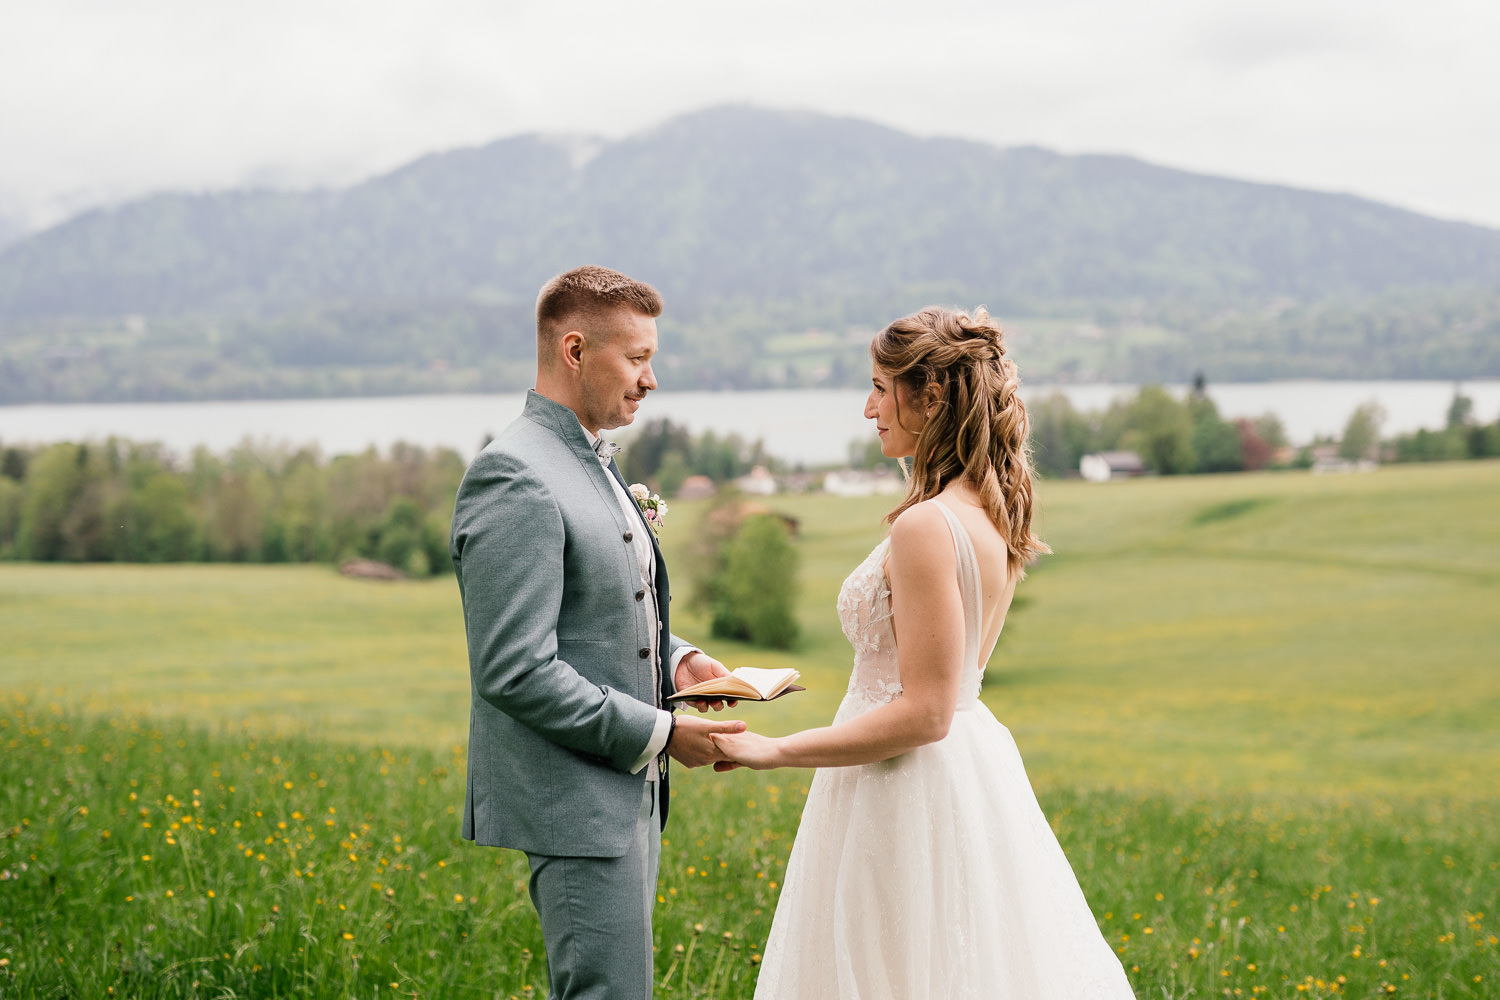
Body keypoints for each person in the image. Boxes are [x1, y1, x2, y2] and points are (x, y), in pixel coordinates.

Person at [711, 306, 1137, 999]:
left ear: (929, 396)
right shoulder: (990, 510)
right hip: (960, 771)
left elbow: (927, 712)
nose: (869, 408)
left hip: (903, 782)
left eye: (881, 388)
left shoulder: (926, 526)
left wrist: (775, 750)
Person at [450, 265, 746, 1000]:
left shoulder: (588, 456)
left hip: (623, 797)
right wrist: (662, 733)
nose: (651, 379)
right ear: (575, 350)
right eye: (637, 357)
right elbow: (515, 670)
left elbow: (601, 608)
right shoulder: (514, 475)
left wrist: (678, 662)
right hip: (576, 806)